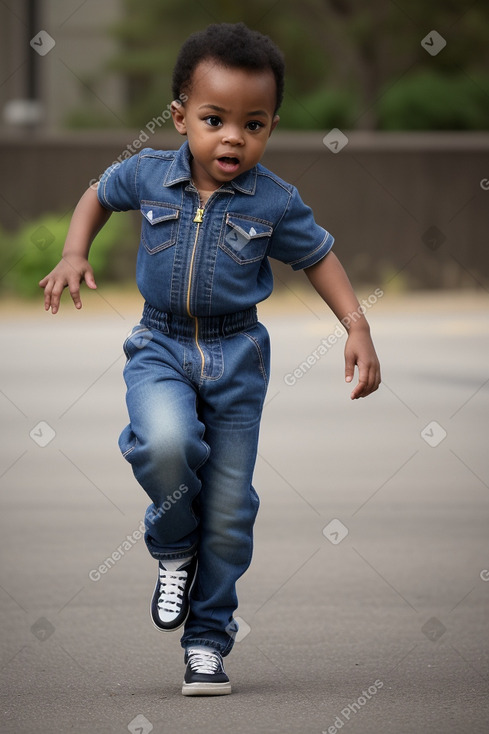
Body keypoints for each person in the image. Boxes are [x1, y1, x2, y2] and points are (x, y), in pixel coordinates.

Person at [39, 22, 381, 696]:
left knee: (228, 510)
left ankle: (206, 641)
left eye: (253, 124)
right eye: (214, 119)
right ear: (179, 117)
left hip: (237, 355)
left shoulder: (275, 200)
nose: (233, 137)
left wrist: (356, 325)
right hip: (159, 344)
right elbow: (97, 194)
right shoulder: (146, 174)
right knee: (164, 442)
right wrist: (74, 251)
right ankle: (171, 547)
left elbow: (319, 258)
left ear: (271, 127)